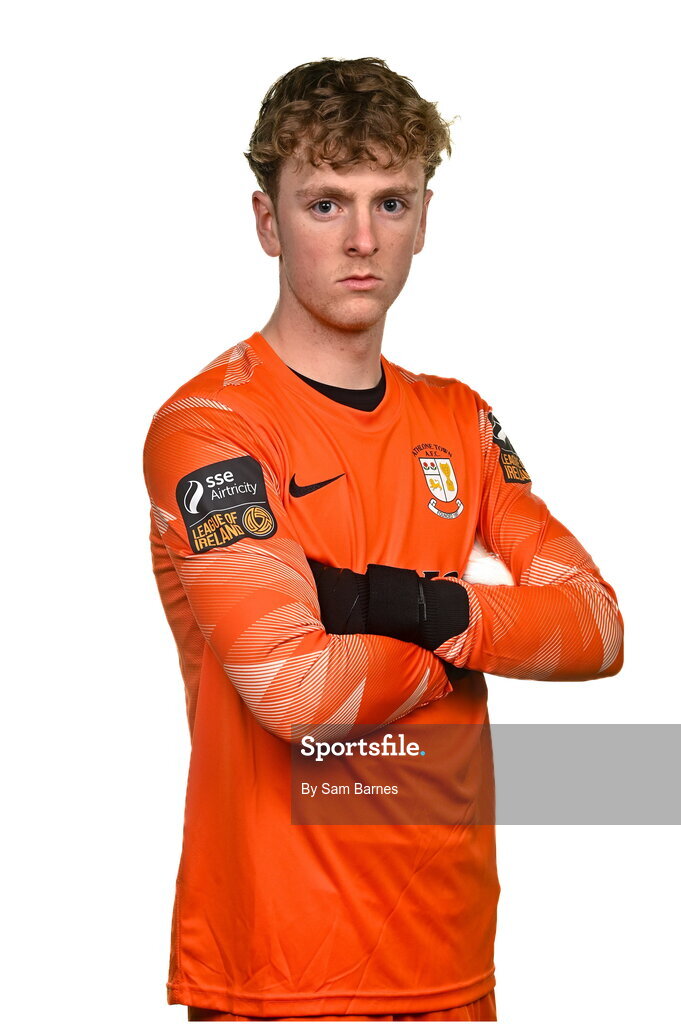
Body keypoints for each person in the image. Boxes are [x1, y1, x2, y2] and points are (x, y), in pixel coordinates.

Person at [142, 57, 624, 1023]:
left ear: (422, 218)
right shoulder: (213, 427)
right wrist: (471, 646)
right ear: (267, 223)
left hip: (449, 957)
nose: (362, 240)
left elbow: (596, 629)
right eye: (325, 205)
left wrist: (389, 606)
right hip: (279, 972)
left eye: (389, 203)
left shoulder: (460, 418)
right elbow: (296, 691)